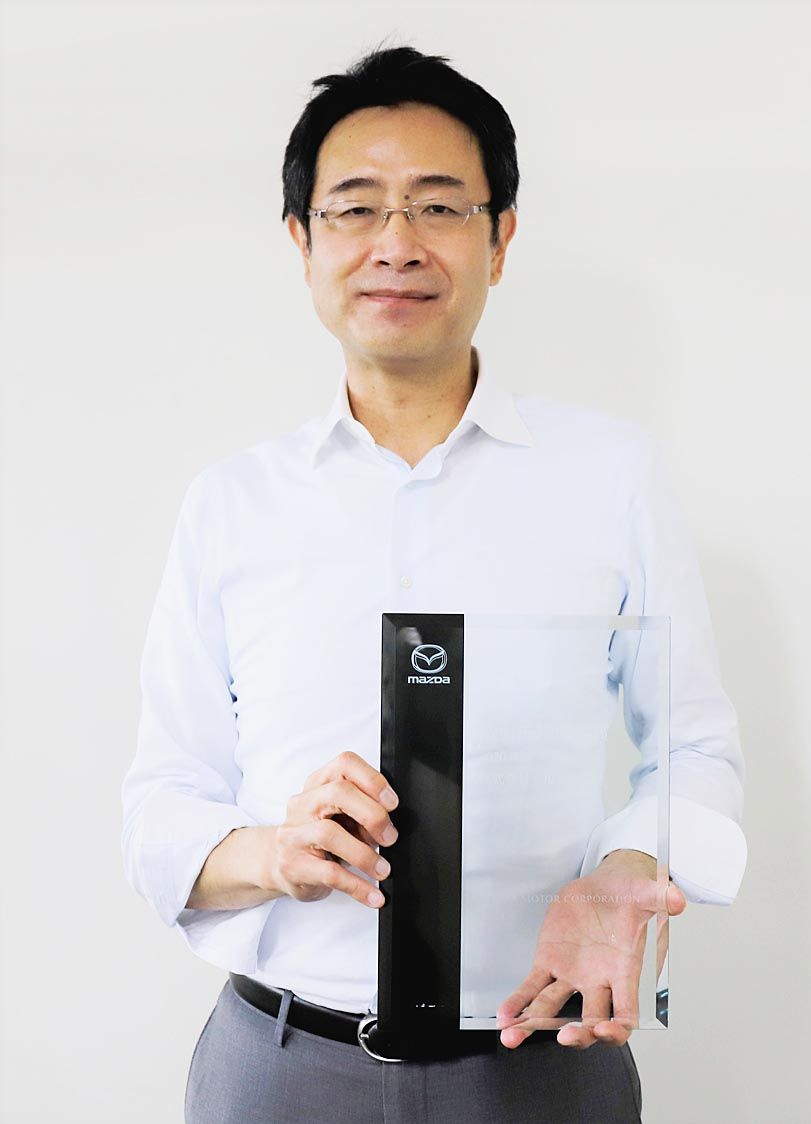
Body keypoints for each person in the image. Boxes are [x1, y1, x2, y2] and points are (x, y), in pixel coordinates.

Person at [120, 43, 748, 1124]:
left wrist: (626, 865)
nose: (396, 243)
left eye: (440, 206)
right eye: (356, 207)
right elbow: (159, 806)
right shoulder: (232, 503)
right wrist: (274, 851)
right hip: (282, 1064)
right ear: (302, 241)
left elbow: (695, 748)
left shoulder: (610, 476)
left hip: (539, 1057)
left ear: (500, 239)